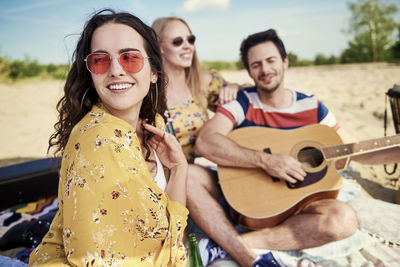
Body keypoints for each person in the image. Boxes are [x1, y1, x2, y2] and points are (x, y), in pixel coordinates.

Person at [190, 29, 400, 267]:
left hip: (301, 202)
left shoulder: (312, 106)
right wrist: (267, 161)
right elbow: (206, 142)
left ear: (285, 62)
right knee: (190, 175)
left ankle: (236, 243)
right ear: (249, 72)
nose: (265, 69)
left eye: (271, 61)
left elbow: (358, 150)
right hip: (247, 197)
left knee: (344, 220)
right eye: (256, 64)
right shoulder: (243, 102)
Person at [29, 9, 189, 266]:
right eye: (100, 60)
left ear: (154, 72)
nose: (115, 70)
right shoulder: (97, 139)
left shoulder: (152, 125)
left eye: (130, 58)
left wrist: (180, 169)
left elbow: (170, 233)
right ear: (91, 74)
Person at [151, 16, 240, 163]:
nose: (187, 46)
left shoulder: (204, 82)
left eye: (190, 39)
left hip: (206, 171)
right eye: (177, 41)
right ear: (159, 46)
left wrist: (235, 87)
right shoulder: (147, 92)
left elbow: (255, 96)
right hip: (169, 177)